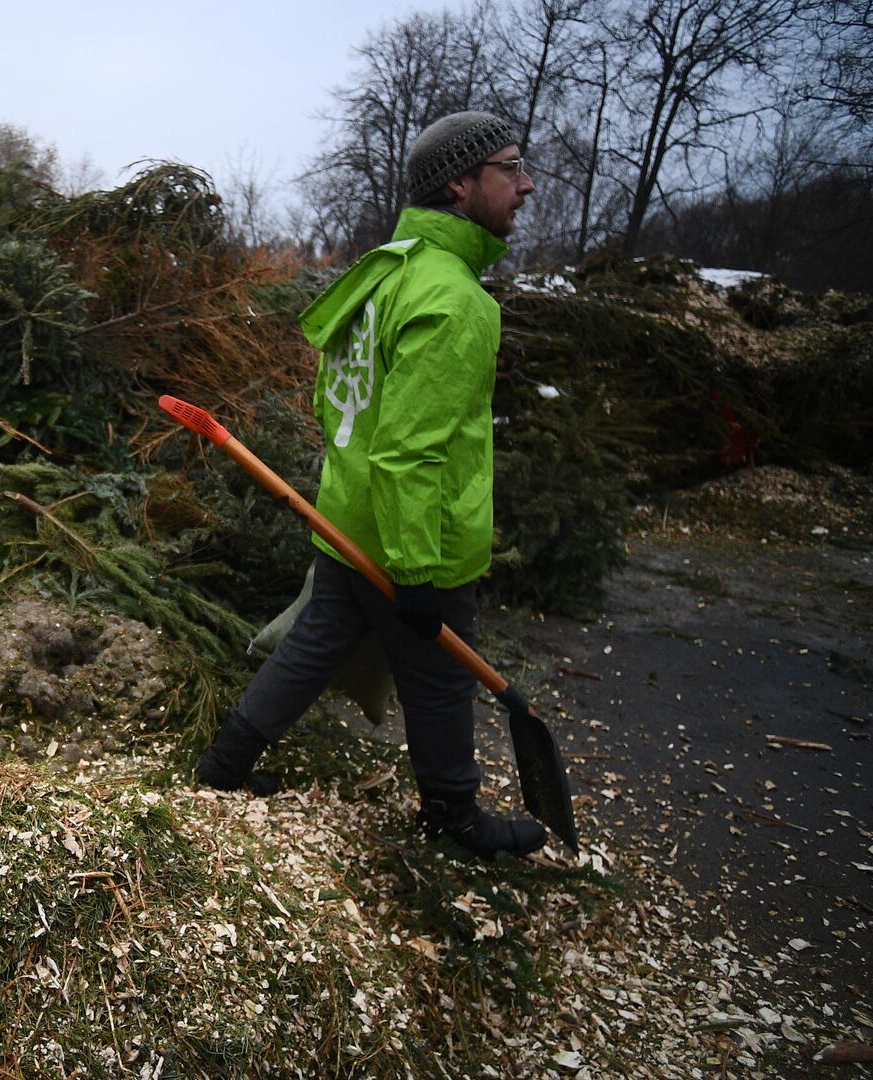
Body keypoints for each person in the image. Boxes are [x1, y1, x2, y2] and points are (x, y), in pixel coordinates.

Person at [195, 111, 545, 859]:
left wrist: (350, 506)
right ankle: (453, 817)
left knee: (315, 645)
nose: (526, 184)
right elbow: (412, 453)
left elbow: (335, 406)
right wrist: (418, 571)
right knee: (443, 682)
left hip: (347, 520)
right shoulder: (452, 300)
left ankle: (222, 768)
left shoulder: (384, 272)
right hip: (411, 539)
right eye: (510, 168)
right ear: (460, 182)